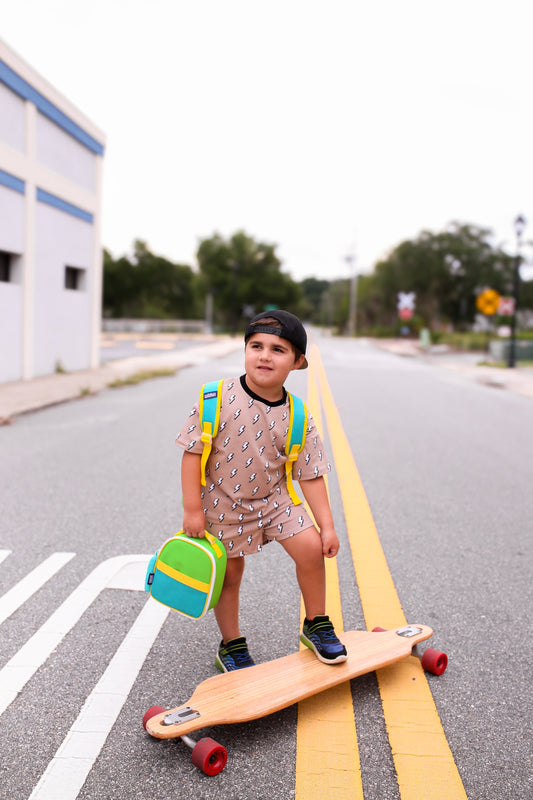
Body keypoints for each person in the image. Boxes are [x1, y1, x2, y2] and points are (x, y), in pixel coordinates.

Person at [176, 309, 347, 671]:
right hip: (223, 502)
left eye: (278, 349)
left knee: (311, 549)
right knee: (230, 575)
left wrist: (327, 525)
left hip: (274, 501)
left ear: (298, 362)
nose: (265, 355)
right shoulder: (215, 398)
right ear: (245, 351)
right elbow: (192, 454)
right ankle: (232, 644)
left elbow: (311, 474)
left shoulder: (298, 415)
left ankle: (315, 623)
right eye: (256, 346)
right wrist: (193, 509)